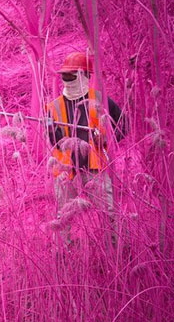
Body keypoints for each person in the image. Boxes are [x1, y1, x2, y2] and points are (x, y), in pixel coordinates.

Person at [46, 52, 125, 247]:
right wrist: (50, 128)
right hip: (65, 170)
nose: (67, 80)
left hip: (95, 168)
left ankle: (115, 252)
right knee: (63, 217)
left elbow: (123, 126)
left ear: (85, 75)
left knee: (109, 213)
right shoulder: (53, 107)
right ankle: (63, 254)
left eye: (72, 76)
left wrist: (104, 139)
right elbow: (54, 142)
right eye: (65, 76)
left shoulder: (101, 100)